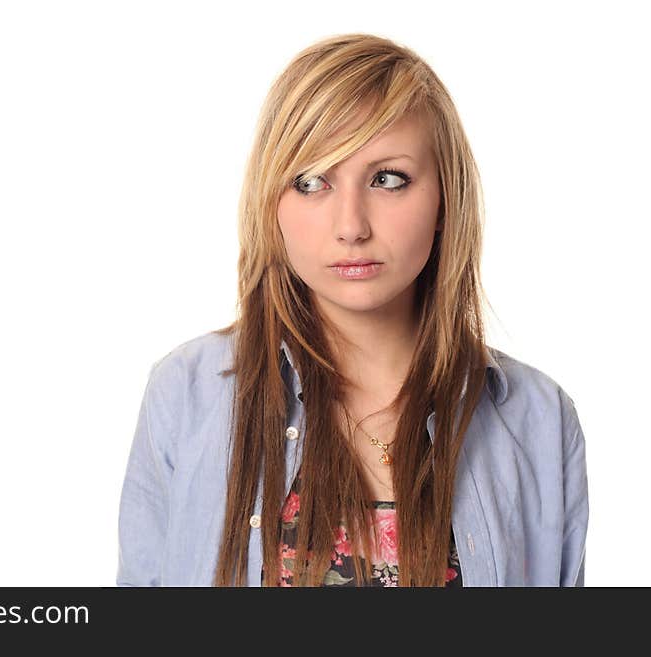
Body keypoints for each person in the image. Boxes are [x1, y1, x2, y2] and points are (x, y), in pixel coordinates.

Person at [116, 33, 589, 587]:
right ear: (272, 204)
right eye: (311, 182)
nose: (351, 226)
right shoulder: (188, 394)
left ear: (444, 199)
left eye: (388, 179)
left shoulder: (537, 418)